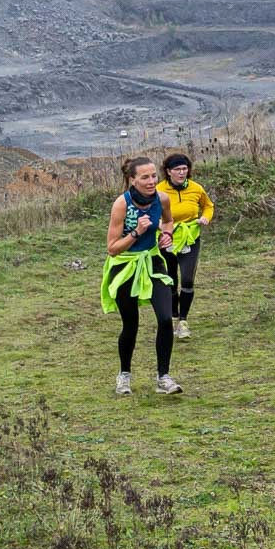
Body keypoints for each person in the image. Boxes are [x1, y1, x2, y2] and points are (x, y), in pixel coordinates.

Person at [102, 157, 182, 396]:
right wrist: (137, 232)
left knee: (166, 319)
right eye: (144, 177)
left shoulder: (162, 198)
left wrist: (166, 235)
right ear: (132, 180)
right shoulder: (122, 204)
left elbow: (168, 221)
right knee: (131, 324)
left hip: (152, 261)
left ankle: (163, 377)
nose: (151, 181)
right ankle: (124, 375)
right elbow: (112, 248)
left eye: (154, 176)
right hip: (125, 265)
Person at [156, 153, 215, 341]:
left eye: (184, 169)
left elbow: (208, 206)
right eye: (177, 169)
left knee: (188, 279)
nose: (182, 172)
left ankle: (183, 321)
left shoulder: (196, 188)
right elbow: (149, 211)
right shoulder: (159, 190)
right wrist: (159, 224)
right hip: (168, 238)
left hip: (190, 237)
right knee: (171, 280)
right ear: (168, 171)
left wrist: (205, 217)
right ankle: (174, 315)